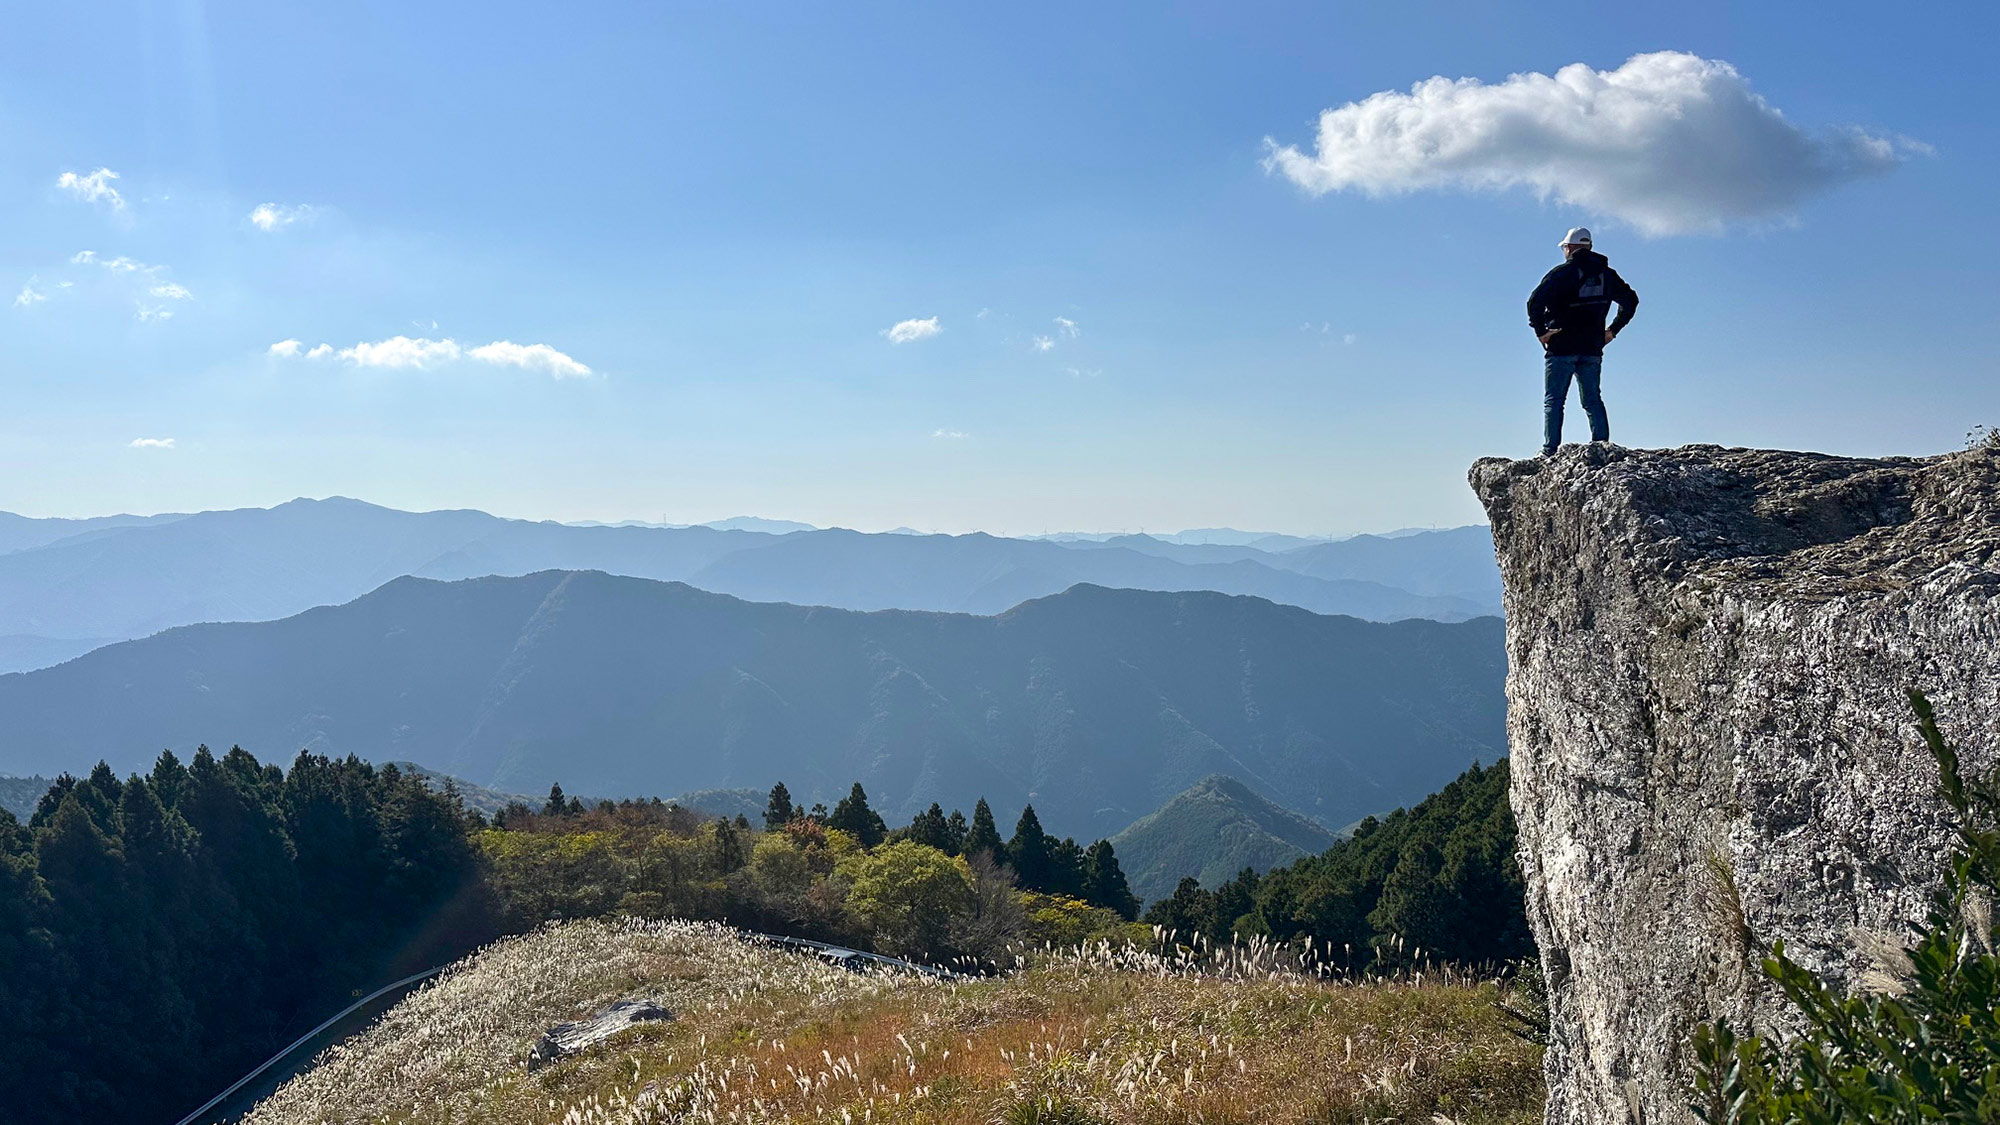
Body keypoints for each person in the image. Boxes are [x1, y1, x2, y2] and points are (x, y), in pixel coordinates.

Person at [1527, 227, 1638, 457]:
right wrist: (1612, 331)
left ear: (1568, 248)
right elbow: (1631, 300)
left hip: (1561, 346)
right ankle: (1601, 446)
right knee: (1592, 400)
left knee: (1554, 401)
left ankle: (1549, 451)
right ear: (1590, 247)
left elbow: (1534, 302)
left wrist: (1541, 332)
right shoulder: (1607, 274)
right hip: (1592, 347)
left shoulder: (1561, 273)